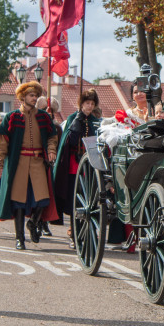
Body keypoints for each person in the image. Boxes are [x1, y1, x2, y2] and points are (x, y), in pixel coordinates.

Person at [0, 81, 58, 250]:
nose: (35, 98)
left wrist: (51, 150)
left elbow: (52, 136)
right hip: (19, 164)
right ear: (22, 97)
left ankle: (33, 223)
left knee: (43, 200)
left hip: (38, 163)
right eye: (31, 95)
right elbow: (1, 143)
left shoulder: (44, 117)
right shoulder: (12, 117)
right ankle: (19, 239)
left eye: (36, 95)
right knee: (18, 203)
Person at [54, 89, 100, 247]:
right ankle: (74, 233)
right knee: (74, 200)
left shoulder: (94, 120)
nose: (90, 106)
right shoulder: (74, 118)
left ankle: (86, 232)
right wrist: (77, 123)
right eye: (87, 103)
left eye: (92, 104)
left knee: (87, 200)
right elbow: (70, 141)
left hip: (90, 165)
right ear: (81, 104)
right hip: (74, 164)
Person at [36, 96, 62, 236]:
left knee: (47, 196)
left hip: (50, 165)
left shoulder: (56, 128)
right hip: (35, 163)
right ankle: (37, 222)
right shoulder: (35, 125)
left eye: (51, 110)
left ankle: (44, 222)